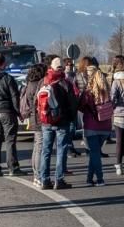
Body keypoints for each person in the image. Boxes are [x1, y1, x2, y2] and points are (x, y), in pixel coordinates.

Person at [37, 57, 76, 190]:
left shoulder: (43, 81)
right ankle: (59, 180)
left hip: (46, 121)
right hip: (62, 121)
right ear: (63, 68)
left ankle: (44, 180)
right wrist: (71, 118)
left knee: (46, 151)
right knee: (61, 150)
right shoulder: (66, 83)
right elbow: (72, 103)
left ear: (51, 68)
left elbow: (37, 100)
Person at [78, 67, 113, 186]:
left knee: (94, 154)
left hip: (91, 126)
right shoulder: (107, 92)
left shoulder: (88, 92)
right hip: (106, 126)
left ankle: (100, 179)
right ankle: (89, 179)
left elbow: (80, 107)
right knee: (95, 153)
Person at [20, 63, 47, 184]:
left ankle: (36, 173)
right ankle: (38, 175)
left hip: (33, 117)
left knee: (37, 146)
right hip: (39, 118)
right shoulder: (39, 85)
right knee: (40, 146)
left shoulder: (29, 84)